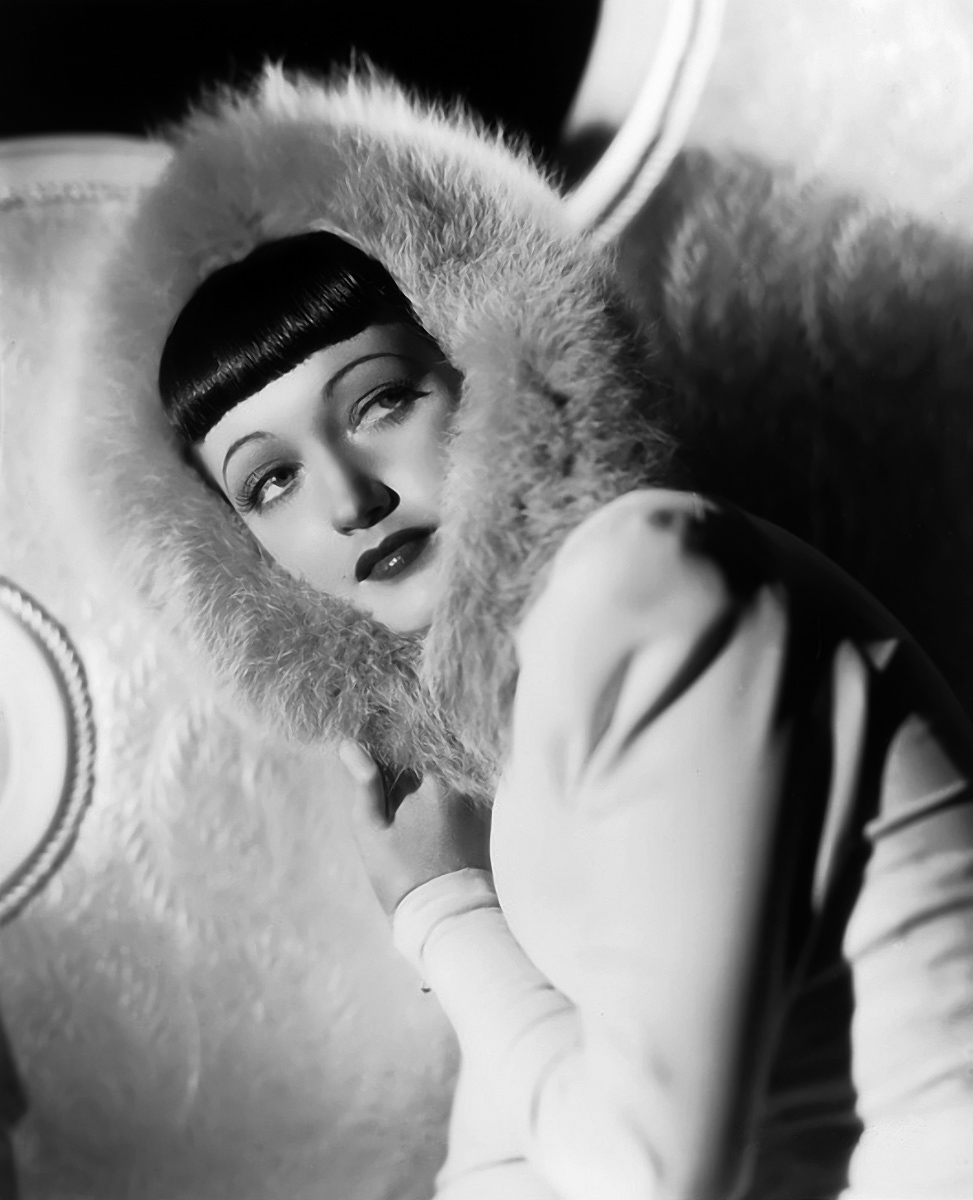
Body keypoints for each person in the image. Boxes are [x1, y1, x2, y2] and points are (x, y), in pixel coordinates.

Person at [74, 67, 973, 1198]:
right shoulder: (520, 750)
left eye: (379, 401)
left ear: (489, 362)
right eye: (270, 481)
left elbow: (649, 1174)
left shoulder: (646, 578)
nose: (349, 499)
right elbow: (503, 1167)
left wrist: (442, 914)